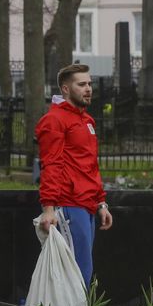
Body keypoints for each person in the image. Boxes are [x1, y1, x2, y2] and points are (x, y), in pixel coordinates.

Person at [35, 64, 113, 289]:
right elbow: (51, 164)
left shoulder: (87, 121)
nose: (88, 89)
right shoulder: (54, 120)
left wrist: (101, 203)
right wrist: (49, 209)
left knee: (83, 266)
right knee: (77, 267)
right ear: (66, 89)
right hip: (68, 204)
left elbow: (90, 165)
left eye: (89, 84)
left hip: (87, 204)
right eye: (81, 85)